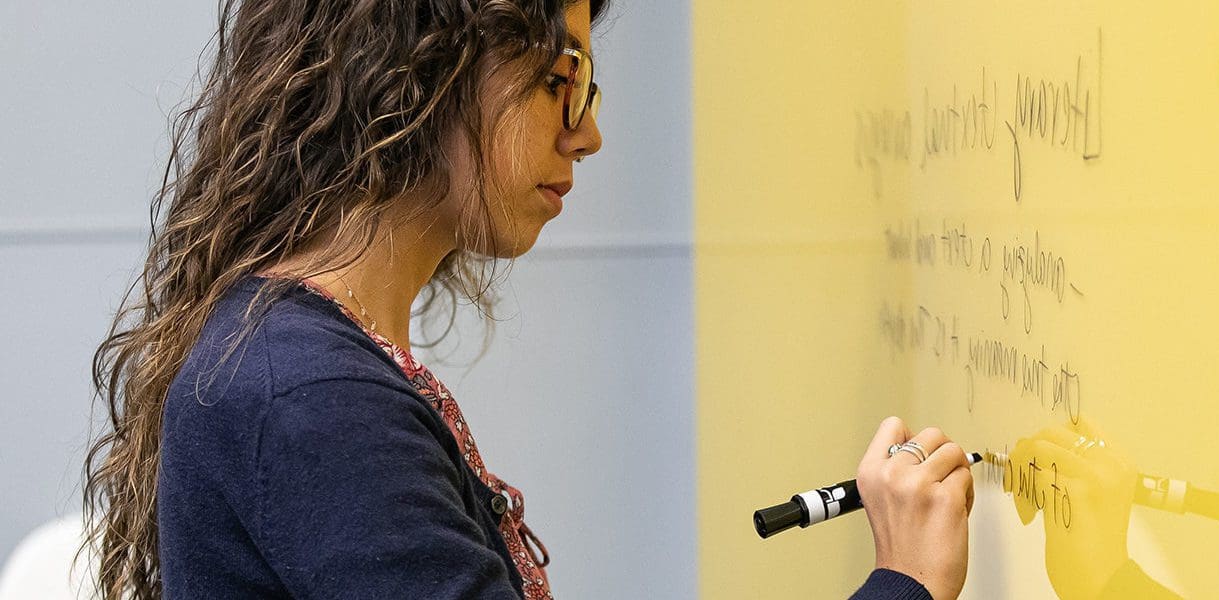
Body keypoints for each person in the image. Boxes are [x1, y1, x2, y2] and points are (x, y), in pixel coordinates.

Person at [79, 1, 977, 598]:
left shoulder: (293, 364)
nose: (587, 132)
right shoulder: (310, 403)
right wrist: (903, 581)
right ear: (420, 75)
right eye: (561, 79)